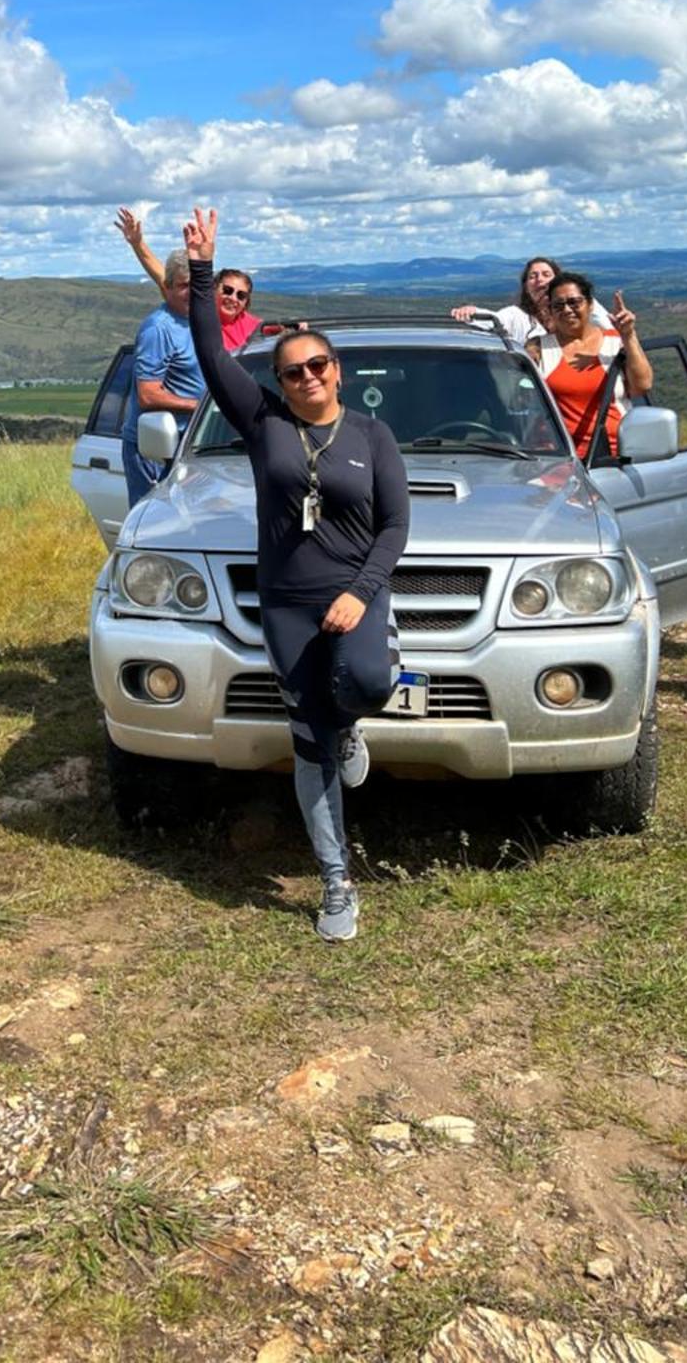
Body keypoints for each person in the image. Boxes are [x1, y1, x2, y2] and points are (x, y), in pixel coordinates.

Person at [184, 206, 410, 945]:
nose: (307, 377)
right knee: (308, 737)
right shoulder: (264, 426)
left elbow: (395, 528)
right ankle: (337, 880)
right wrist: (201, 273)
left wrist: (359, 592)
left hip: (354, 593)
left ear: (337, 371)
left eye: (317, 366)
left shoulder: (374, 437)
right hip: (285, 602)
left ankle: (351, 728)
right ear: (278, 380)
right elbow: (214, 356)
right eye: (292, 371)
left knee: (369, 683)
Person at [530, 274, 652, 459]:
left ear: (590, 305)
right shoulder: (539, 348)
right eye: (558, 305)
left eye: (574, 302)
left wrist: (628, 335)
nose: (567, 310)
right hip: (558, 460)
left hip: (613, 457)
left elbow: (642, 386)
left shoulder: (614, 342)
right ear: (551, 311)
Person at [121, 249, 205, 505]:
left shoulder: (196, 320)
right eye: (183, 286)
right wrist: (202, 408)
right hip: (156, 448)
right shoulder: (158, 328)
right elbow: (148, 394)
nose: (191, 291)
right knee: (157, 525)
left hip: (188, 442)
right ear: (167, 287)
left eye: (197, 284)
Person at [115, 206, 261, 351]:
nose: (233, 298)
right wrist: (137, 243)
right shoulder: (195, 313)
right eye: (228, 290)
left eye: (241, 295)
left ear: (246, 302)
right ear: (213, 289)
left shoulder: (255, 327)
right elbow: (163, 277)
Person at [452, 255, 611, 344]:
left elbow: (607, 326)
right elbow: (496, 320)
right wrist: (472, 312)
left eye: (546, 275)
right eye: (532, 276)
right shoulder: (517, 316)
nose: (539, 280)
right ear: (526, 286)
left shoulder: (574, 310)